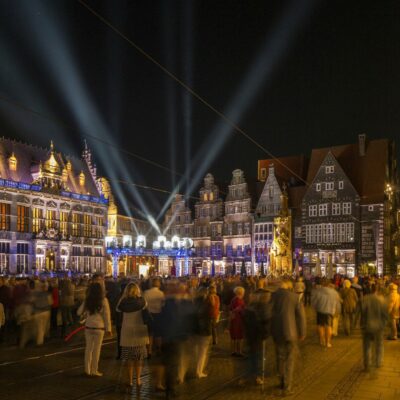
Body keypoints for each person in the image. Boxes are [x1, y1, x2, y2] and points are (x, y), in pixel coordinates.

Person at [270, 280, 306, 396]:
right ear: (289, 287)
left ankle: (281, 381)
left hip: (277, 332)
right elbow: (301, 317)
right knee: (289, 360)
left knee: (280, 357)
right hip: (291, 332)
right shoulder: (295, 297)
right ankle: (287, 386)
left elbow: (267, 313)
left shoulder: (273, 296)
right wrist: (302, 332)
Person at [117, 283, 150, 388]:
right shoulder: (142, 301)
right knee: (139, 358)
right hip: (139, 331)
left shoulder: (122, 302)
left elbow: (117, 310)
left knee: (129, 359)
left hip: (126, 332)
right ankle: (139, 379)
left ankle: (130, 380)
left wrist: (123, 297)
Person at [77, 282, 111, 377]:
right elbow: (107, 316)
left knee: (88, 349)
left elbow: (78, 312)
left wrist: (85, 311)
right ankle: (94, 370)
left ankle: (87, 370)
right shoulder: (104, 300)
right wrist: (109, 329)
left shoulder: (87, 300)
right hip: (99, 328)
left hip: (88, 327)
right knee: (97, 350)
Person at [361, 284, 388, 371]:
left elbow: (361, 313)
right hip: (379, 327)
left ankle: (367, 364)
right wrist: (383, 325)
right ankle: (378, 362)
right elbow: (385, 316)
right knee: (379, 345)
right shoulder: (382, 300)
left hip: (367, 326)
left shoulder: (364, 299)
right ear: (377, 290)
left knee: (367, 346)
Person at [312, 280, 340, 348]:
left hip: (320, 310)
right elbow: (338, 303)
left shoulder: (318, 291)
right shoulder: (334, 293)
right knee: (329, 326)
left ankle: (322, 340)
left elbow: (314, 302)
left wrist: (315, 308)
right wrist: (338, 311)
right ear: (329, 285)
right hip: (330, 311)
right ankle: (328, 342)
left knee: (320, 325)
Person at [193, 287, 212, 378]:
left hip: (196, 329)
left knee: (197, 351)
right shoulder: (207, 303)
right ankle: (199, 371)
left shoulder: (194, 302)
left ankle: (197, 369)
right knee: (202, 352)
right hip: (204, 330)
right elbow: (209, 316)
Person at [229, 286, 246, 357]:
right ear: (241, 293)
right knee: (239, 336)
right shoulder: (239, 301)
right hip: (238, 320)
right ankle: (239, 352)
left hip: (233, 319)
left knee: (234, 336)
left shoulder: (233, 299)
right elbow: (240, 310)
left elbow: (230, 308)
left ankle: (234, 351)